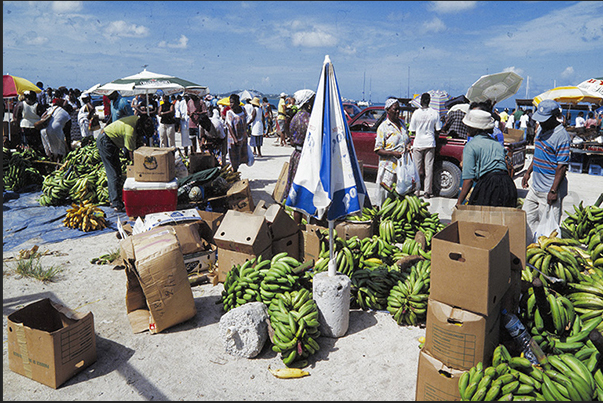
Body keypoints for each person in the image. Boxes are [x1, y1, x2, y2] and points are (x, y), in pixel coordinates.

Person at [521, 100, 571, 240]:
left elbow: (562, 166)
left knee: (548, 231)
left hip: (549, 189)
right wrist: (528, 172)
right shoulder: (542, 129)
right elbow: (538, 153)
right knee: (526, 220)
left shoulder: (562, 136)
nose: (541, 122)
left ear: (554, 116)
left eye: (545, 119)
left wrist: (553, 190)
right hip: (535, 188)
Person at [455, 109, 517, 207]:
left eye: (468, 126)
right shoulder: (496, 144)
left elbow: (469, 180)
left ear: (475, 128)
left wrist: (459, 202)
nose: (466, 128)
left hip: (489, 186)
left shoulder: (471, 146)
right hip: (508, 185)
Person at [96, 114, 155, 212]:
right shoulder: (130, 131)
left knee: (117, 171)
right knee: (113, 173)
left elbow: (138, 144)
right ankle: (115, 203)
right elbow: (132, 154)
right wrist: (139, 168)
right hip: (105, 141)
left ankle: (115, 200)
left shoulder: (138, 120)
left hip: (112, 141)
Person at [282, 90, 316, 222]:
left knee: (297, 193)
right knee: (305, 193)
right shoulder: (308, 119)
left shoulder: (296, 117)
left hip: (296, 155)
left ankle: (296, 227)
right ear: (307, 103)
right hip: (305, 158)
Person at [373, 98, 412, 206]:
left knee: (399, 196)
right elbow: (378, 150)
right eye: (395, 109)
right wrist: (393, 154)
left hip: (402, 168)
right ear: (388, 110)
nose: (397, 112)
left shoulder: (402, 124)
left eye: (399, 109)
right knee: (386, 197)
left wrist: (408, 146)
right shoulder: (384, 127)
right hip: (388, 168)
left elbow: (407, 140)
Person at [408, 92, 441, 198]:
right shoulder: (434, 113)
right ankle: (427, 191)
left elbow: (412, 130)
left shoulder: (416, 113)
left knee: (417, 168)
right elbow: (438, 129)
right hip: (430, 142)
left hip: (418, 143)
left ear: (421, 101)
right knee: (429, 168)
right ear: (429, 101)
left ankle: (416, 190)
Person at [224, 93, 248, 172]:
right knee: (234, 159)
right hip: (233, 139)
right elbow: (230, 127)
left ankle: (235, 171)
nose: (231, 104)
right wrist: (235, 139)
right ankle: (234, 172)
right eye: (230, 102)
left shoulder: (243, 110)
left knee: (241, 158)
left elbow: (247, 119)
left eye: (232, 102)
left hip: (242, 138)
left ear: (237, 103)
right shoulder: (229, 113)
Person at [17, 90, 46, 155]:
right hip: (35, 126)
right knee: (35, 145)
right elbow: (42, 115)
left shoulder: (21, 104)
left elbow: (17, 116)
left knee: (25, 144)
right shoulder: (38, 105)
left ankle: (26, 155)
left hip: (24, 125)